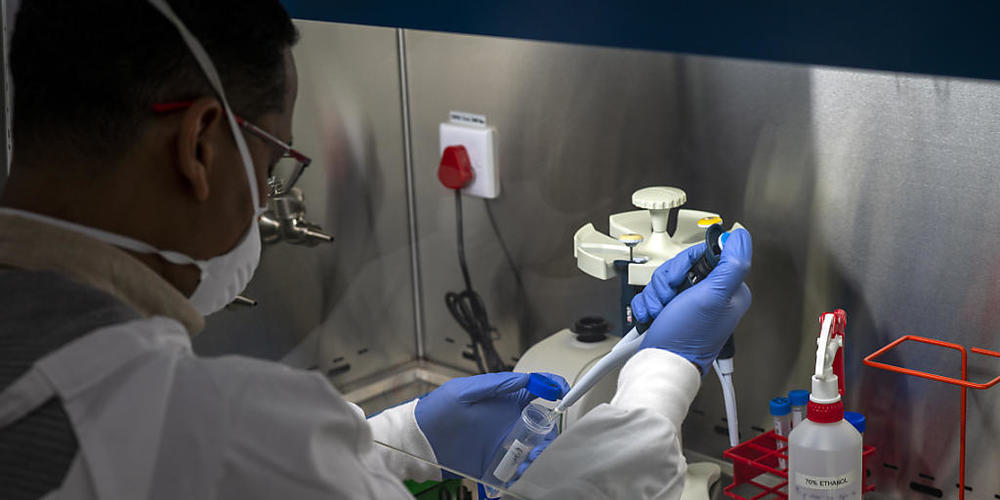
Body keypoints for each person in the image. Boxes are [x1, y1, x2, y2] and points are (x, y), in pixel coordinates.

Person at [0, 1, 752, 498]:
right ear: (200, 145)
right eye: (270, 163)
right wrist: (665, 372)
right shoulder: (208, 429)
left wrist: (405, 434)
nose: (265, 202)